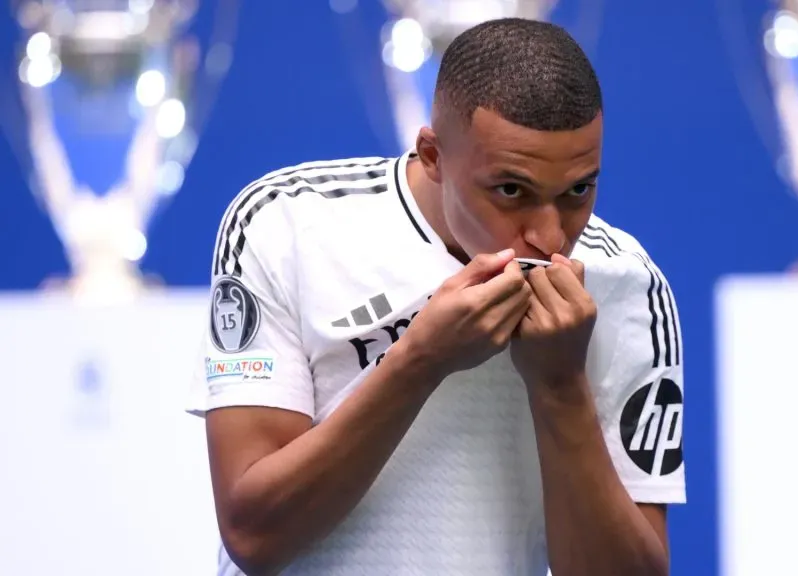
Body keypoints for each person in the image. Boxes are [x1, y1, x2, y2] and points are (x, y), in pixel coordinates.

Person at [188, 17, 685, 576]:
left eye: (578, 190)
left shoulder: (627, 281)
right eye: (511, 190)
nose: (548, 237)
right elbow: (254, 536)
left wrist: (561, 385)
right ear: (432, 155)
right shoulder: (284, 222)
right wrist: (421, 360)